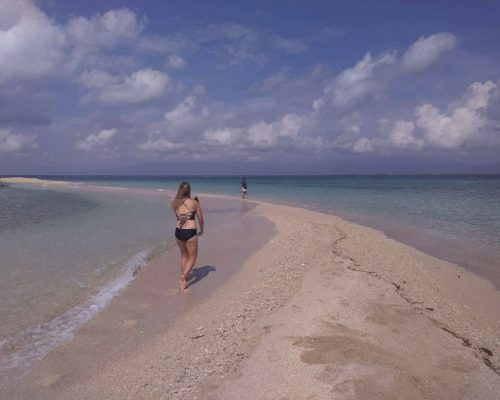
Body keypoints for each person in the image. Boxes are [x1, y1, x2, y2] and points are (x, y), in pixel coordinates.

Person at [171, 181, 204, 290]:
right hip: (190, 231)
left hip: (178, 231)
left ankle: (184, 280)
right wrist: (202, 229)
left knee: (184, 255)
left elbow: (179, 214)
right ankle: (183, 276)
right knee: (193, 257)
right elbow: (200, 218)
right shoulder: (194, 202)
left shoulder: (175, 203)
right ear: (189, 190)